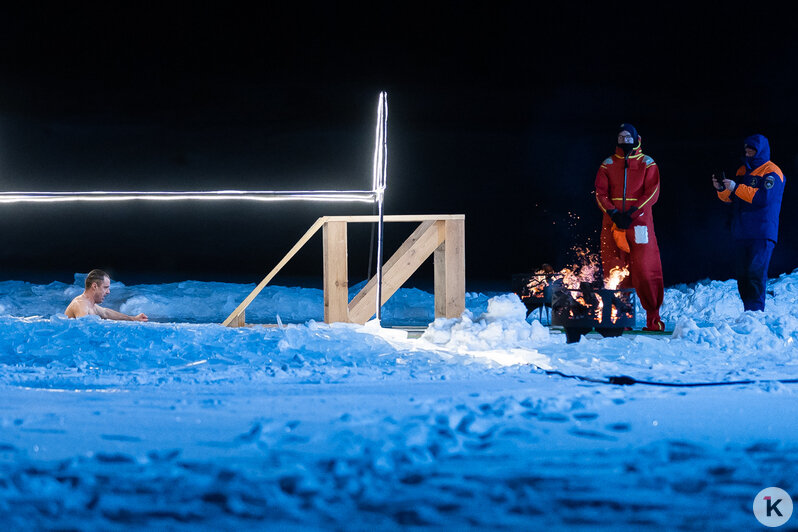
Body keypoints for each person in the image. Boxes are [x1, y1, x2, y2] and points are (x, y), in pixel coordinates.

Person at [595, 123, 665, 331]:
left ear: (636, 139)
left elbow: (652, 192)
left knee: (646, 269)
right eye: (621, 137)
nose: (624, 141)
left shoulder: (647, 163)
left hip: (640, 225)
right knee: (615, 269)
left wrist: (633, 212)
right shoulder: (607, 164)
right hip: (613, 225)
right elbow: (600, 193)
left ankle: (653, 319)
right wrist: (613, 213)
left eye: (628, 137)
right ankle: (622, 317)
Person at [713, 134, 785, 311]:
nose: (747, 152)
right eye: (746, 149)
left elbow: (763, 198)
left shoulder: (772, 171)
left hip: (762, 232)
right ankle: (749, 313)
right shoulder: (742, 171)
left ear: (760, 150)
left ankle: (756, 313)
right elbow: (732, 198)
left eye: (751, 150)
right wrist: (721, 189)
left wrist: (736, 187)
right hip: (742, 232)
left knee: (755, 273)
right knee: (743, 276)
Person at [65, 269, 148, 321]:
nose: (108, 292)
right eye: (105, 287)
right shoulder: (80, 304)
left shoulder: (91, 305)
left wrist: (133, 318)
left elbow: (106, 313)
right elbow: (84, 333)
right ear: (94, 286)